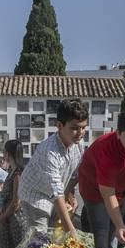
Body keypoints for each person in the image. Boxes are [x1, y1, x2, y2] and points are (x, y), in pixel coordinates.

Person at [78, 109, 125, 248]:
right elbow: (108, 194)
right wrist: (120, 224)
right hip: (94, 190)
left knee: (114, 232)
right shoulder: (107, 151)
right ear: (118, 134)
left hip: (119, 188)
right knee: (102, 231)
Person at [18, 98, 88, 236]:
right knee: (40, 241)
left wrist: (70, 196)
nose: (80, 133)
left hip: (57, 194)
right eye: (74, 128)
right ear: (59, 125)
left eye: (84, 127)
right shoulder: (49, 151)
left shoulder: (79, 143)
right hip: (35, 196)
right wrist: (72, 232)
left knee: (56, 236)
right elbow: (56, 193)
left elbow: (74, 174)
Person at [0, 139, 28, 248]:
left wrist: (3, 217)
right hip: (7, 218)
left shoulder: (18, 174)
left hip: (16, 220)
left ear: (8, 154)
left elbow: (16, 202)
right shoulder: (11, 172)